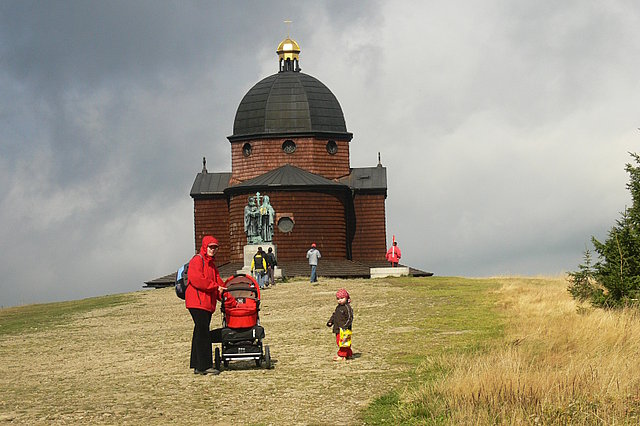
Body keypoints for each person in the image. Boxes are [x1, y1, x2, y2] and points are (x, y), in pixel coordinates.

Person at [186, 236, 226, 375]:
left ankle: (197, 365)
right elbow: (197, 280)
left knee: (199, 332)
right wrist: (215, 287)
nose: (213, 250)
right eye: (210, 247)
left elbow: (220, 284)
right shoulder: (197, 260)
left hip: (206, 303)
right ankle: (204, 365)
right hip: (197, 302)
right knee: (203, 332)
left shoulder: (212, 266)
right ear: (204, 246)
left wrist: (229, 298)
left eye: (215, 247)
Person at [326, 288, 353, 361]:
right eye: (338, 298)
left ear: (346, 298)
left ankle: (341, 355)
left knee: (342, 342)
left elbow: (350, 318)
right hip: (338, 328)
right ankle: (348, 354)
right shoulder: (338, 307)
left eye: (342, 298)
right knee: (343, 342)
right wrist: (330, 321)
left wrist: (345, 326)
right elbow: (335, 315)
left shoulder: (347, 308)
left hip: (344, 329)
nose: (339, 300)